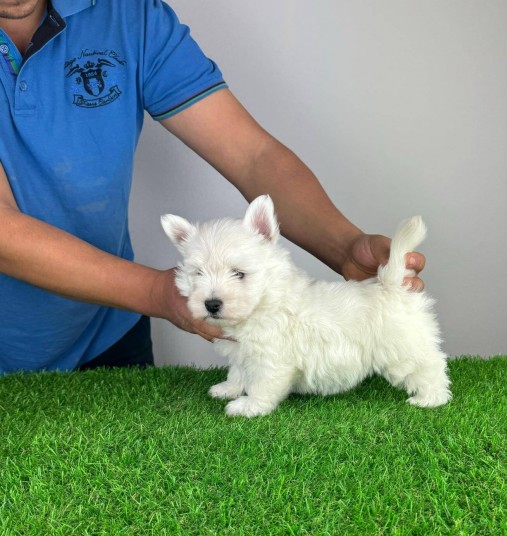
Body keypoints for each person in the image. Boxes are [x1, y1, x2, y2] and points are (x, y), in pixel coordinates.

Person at [0, 0, 426, 374]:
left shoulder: (130, 14)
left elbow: (251, 155)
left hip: (107, 329)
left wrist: (343, 245)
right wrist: (155, 292)